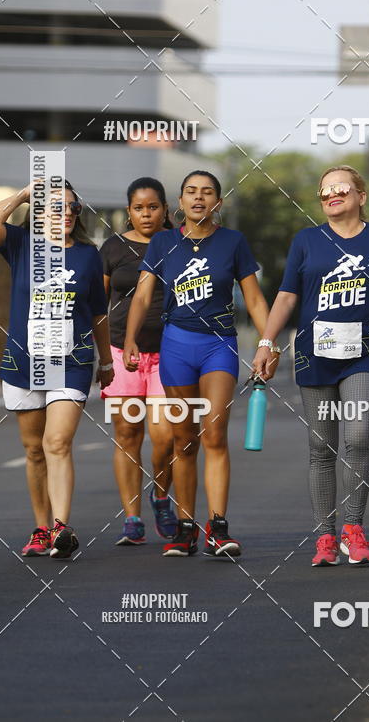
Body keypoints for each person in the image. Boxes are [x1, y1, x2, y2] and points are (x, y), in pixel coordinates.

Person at [252, 165, 369, 568]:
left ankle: (353, 529)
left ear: (361, 196)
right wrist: (267, 343)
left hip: (364, 355)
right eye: (324, 192)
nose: (331, 195)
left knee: (357, 436)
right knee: (321, 447)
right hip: (314, 354)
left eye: (340, 188)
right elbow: (287, 296)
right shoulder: (306, 240)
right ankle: (325, 536)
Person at [123, 171, 279, 558]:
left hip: (218, 345)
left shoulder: (233, 242)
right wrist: (130, 339)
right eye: (191, 192)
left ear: (217, 203)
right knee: (184, 440)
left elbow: (254, 299)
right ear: (180, 202)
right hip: (176, 345)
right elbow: (142, 296)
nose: (198, 198)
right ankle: (185, 528)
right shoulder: (163, 243)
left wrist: (268, 343)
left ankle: (218, 527)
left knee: (214, 435)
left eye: (207, 193)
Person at [0, 178, 113, 559]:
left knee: (56, 442)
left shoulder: (88, 256)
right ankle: (41, 528)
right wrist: (26, 194)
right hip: (23, 362)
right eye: (57, 207)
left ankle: (61, 527)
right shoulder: (22, 245)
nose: (67, 213)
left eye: (72, 207)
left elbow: (99, 313)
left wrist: (106, 360)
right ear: (39, 213)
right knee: (34, 450)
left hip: (72, 362)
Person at [100, 177, 178, 545]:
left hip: (170, 354)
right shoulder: (112, 248)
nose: (146, 214)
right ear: (129, 211)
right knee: (127, 435)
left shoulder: (179, 244)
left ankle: (161, 498)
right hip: (122, 353)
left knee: (167, 437)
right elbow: (97, 304)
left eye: (153, 207)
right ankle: (132, 518)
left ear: (165, 209)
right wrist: (101, 355)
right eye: (138, 208)